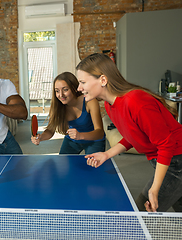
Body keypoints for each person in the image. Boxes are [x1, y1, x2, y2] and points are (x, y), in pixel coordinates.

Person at [76, 53, 182, 212]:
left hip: (176, 161)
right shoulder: (110, 105)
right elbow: (132, 135)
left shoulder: (136, 102)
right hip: (168, 160)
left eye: (83, 82)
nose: (79, 88)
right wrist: (107, 154)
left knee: (140, 215)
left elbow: (166, 144)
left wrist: (154, 189)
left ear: (103, 80)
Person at [31, 72, 105, 154]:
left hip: (94, 141)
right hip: (72, 141)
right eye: (57, 91)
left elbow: (100, 132)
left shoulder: (89, 101)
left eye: (65, 89)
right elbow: (50, 130)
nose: (61, 95)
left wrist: (80, 135)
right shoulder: (57, 106)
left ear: (74, 88)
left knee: (93, 165)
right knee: (63, 166)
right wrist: (40, 137)